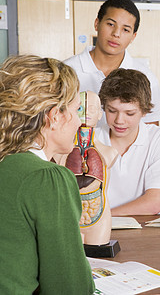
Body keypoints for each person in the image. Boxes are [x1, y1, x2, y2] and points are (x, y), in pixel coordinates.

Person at [0, 55, 94, 293]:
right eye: (77, 109)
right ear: (55, 116)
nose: (79, 122)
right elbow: (70, 287)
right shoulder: (47, 179)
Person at [65, 0, 160, 125]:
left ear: (133, 36)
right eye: (110, 24)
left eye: (125, 29)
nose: (116, 34)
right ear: (97, 23)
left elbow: (150, 132)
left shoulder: (147, 78)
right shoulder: (66, 72)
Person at [95, 68, 160, 215]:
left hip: (143, 230)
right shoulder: (91, 139)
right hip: (98, 230)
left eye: (129, 113)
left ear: (144, 111)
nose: (119, 121)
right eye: (112, 111)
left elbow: (153, 203)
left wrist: (101, 218)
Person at [55, 91, 118, 245]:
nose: (86, 113)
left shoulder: (108, 153)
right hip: (70, 212)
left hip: (98, 210)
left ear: (100, 114)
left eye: (92, 108)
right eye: (80, 108)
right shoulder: (60, 151)